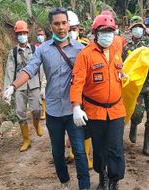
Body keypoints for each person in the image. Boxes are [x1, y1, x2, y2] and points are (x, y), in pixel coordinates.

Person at [3, 7, 90, 190]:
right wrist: (13, 86)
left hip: (74, 109)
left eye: (64, 23)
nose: (61, 27)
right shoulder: (43, 49)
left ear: (69, 24)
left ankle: (85, 186)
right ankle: (64, 182)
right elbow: (29, 69)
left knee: (80, 152)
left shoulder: (81, 49)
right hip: (53, 110)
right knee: (57, 152)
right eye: (57, 24)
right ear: (51, 26)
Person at [70, 14, 126, 190]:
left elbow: (118, 73)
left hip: (116, 109)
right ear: (95, 33)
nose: (108, 34)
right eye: (104, 31)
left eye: (111, 31)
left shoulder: (116, 52)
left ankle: (114, 180)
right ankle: (102, 177)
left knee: (116, 147)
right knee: (100, 147)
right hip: (95, 110)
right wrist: (76, 107)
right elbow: (77, 81)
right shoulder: (85, 55)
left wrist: (123, 76)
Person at [3, 20, 42, 152]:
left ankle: (37, 125)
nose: (22, 35)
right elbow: (9, 71)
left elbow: (41, 68)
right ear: (16, 35)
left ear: (27, 33)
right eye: (19, 33)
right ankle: (26, 139)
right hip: (19, 86)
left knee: (37, 110)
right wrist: (7, 90)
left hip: (34, 83)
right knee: (20, 112)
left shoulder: (35, 49)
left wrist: (43, 86)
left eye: (24, 33)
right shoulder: (13, 53)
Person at [122, 16, 149, 155]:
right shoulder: (126, 46)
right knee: (137, 113)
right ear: (131, 29)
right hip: (137, 86)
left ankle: (146, 146)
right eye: (136, 27)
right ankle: (134, 126)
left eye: (140, 27)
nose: (139, 30)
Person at [66, 10, 93, 170]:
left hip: (82, 90)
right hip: (64, 91)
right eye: (69, 28)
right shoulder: (53, 46)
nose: (70, 32)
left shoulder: (85, 46)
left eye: (73, 28)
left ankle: (87, 156)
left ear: (78, 29)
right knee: (68, 121)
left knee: (84, 122)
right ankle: (72, 149)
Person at [35, 28, 47, 120]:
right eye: (38, 35)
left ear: (45, 36)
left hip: (46, 70)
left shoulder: (48, 46)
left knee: (44, 89)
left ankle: (44, 111)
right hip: (37, 71)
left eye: (41, 35)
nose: (40, 36)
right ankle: (42, 110)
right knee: (39, 91)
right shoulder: (34, 47)